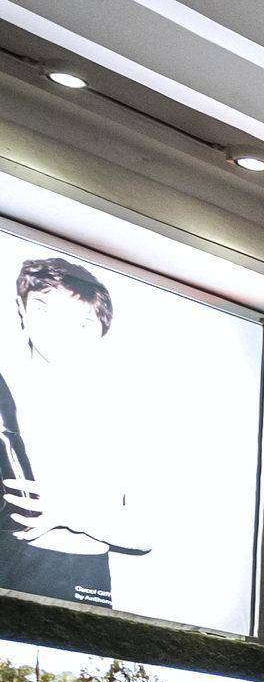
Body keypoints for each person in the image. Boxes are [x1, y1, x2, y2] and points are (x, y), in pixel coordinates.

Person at [0, 258, 133, 610]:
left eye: (82, 320)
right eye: (43, 309)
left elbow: (146, 533)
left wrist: (70, 514)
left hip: (79, 576)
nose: (59, 329)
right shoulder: (5, 396)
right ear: (21, 310)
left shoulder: (120, 414)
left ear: (99, 327)